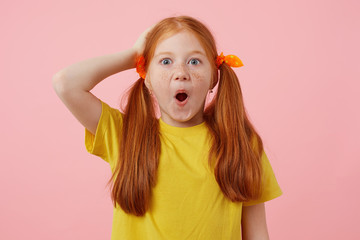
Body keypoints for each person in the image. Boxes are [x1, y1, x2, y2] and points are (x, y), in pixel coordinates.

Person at [52, 15, 283, 240]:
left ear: (214, 76)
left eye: (194, 61)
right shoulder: (125, 135)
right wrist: (132, 56)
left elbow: (257, 234)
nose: (181, 73)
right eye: (165, 61)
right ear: (147, 78)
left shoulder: (241, 143)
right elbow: (65, 83)